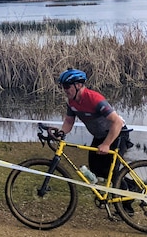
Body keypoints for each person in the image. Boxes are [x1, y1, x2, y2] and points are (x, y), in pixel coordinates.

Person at [57, 68, 135, 213]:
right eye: (62, 86)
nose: (64, 90)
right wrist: (61, 132)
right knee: (96, 169)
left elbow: (117, 122)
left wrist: (106, 144)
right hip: (100, 136)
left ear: (78, 85)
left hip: (117, 134)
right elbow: (69, 121)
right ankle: (131, 186)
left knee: (112, 172)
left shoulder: (94, 99)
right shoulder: (72, 102)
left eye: (67, 86)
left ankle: (127, 207)